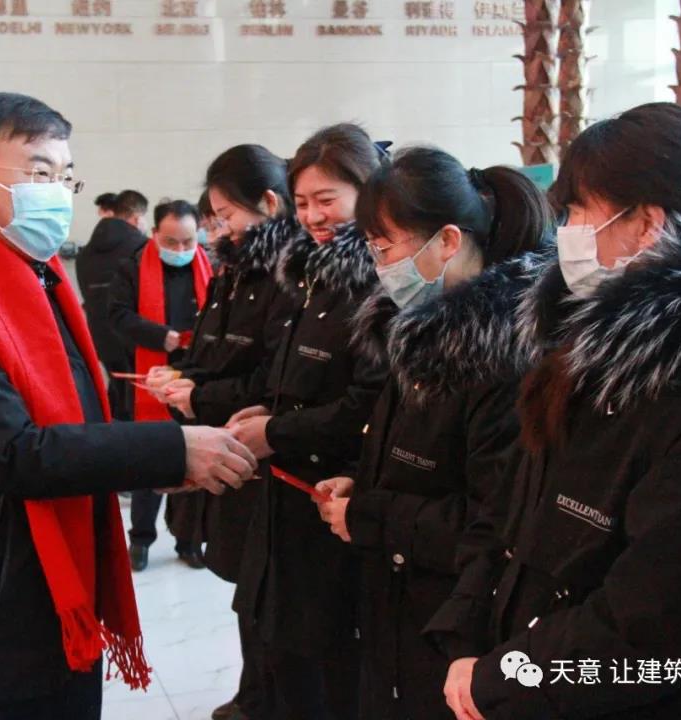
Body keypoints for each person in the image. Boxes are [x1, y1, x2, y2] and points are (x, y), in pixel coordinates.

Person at [0, 92, 256, 720]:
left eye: (64, 174)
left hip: (42, 602)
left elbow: (73, 418)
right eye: (39, 172)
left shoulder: (29, 275)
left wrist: (154, 460)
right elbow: (15, 451)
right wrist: (170, 449)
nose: (57, 192)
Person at [435, 102, 681, 720]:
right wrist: (469, 640)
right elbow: (510, 520)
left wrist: (503, 677)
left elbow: (659, 620)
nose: (567, 233)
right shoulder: (585, 353)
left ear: (648, 224)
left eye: (579, 212)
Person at [313, 146, 552, 720]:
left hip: (456, 626)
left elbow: (495, 524)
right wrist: (361, 485)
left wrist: (371, 514)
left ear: (447, 240)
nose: (379, 265)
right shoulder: (418, 333)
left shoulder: (506, 359)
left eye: (385, 246)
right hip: (397, 604)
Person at [228, 123, 387, 720]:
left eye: (327, 200)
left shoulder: (377, 282)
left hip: (333, 503)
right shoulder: (309, 273)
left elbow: (366, 404)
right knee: (279, 646)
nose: (314, 217)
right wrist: (268, 410)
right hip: (287, 495)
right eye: (302, 203)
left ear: (369, 194)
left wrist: (275, 433)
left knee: (328, 664)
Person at [150, 144, 301, 720]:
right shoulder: (234, 268)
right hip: (227, 438)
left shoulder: (290, 273)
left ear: (269, 203)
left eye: (226, 214)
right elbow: (215, 348)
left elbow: (272, 376)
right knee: (247, 588)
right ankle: (254, 695)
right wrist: (183, 376)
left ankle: (266, 700)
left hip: (261, 444)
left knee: (267, 593)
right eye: (214, 217)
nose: (219, 228)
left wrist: (200, 394)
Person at [109, 199, 214, 571]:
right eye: (172, 242)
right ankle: (140, 539)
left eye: (188, 241)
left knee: (195, 459)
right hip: (148, 376)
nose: (181, 250)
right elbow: (117, 316)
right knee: (149, 460)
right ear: (154, 234)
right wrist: (159, 336)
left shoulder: (212, 266)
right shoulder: (132, 266)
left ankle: (189, 540)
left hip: (196, 377)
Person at [75, 189, 150, 419]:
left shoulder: (84, 254)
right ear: (136, 218)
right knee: (142, 401)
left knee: (118, 394)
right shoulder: (142, 248)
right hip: (138, 335)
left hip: (101, 338)